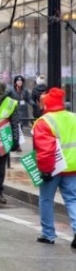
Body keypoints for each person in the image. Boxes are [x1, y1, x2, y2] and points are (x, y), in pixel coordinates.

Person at [32, 87, 76, 247]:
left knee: (46, 200)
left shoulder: (44, 122)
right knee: (72, 199)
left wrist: (45, 170)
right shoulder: (73, 117)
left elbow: (45, 150)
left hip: (53, 168)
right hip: (72, 166)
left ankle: (48, 234)